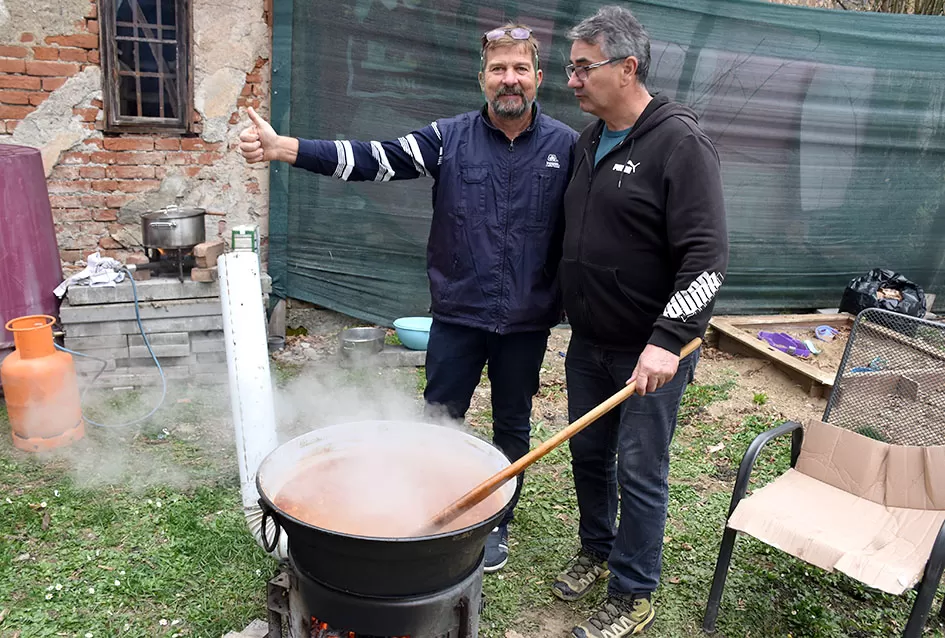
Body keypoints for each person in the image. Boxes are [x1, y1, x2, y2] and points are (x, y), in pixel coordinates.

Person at [239, 24, 578, 573]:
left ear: (539, 78)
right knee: (439, 420)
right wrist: (285, 149)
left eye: (520, 68)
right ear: (482, 79)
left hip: (527, 319)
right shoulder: (449, 138)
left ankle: (495, 522)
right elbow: (375, 158)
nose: (509, 79)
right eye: (498, 69)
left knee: (513, 424)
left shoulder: (567, 146)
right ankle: (431, 508)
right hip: (458, 314)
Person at [551, 6, 729, 637]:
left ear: (627, 68)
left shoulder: (680, 144)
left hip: (650, 351)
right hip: (590, 341)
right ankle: (597, 549)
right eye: (570, 68)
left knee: (639, 468)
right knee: (588, 454)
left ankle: (632, 593)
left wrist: (668, 341)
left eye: (583, 67)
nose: (571, 80)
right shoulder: (588, 141)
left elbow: (707, 259)